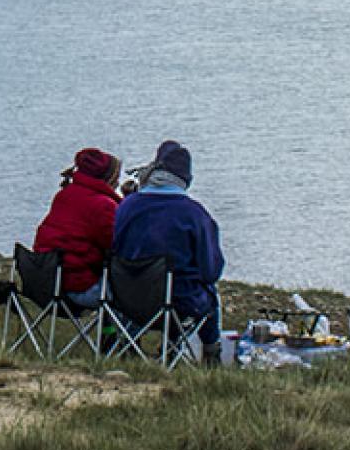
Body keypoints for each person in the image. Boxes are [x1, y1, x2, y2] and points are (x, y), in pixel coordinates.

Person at [112, 139, 224, 362]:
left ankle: (128, 346)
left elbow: (117, 249)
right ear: (186, 178)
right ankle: (211, 354)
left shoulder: (127, 206)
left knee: (165, 285)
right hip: (180, 303)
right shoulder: (195, 214)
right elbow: (211, 270)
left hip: (129, 301)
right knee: (209, 295)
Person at [32, 147, 123, 308]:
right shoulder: (103, 205)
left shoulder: (64, 195)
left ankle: (110, 331)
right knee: (134, 294)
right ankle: (122, 332)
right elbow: (117, 246)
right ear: (109, 178)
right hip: (78, 287)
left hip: (46, 283)